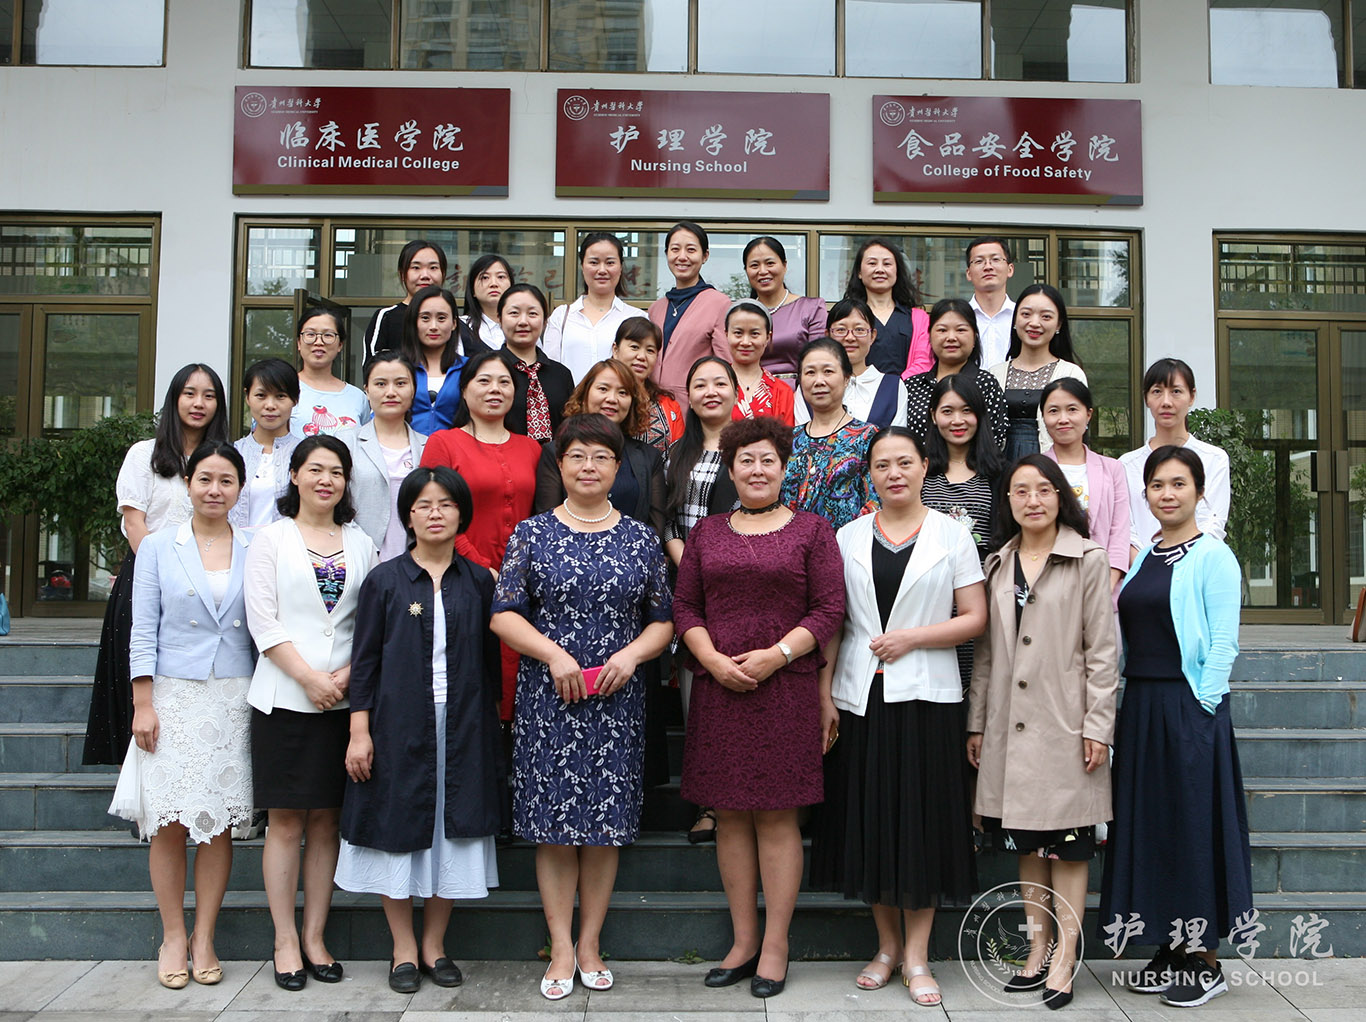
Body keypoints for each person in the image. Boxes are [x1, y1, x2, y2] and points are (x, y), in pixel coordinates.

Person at [491, 415, 674, 1001]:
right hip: (550, 700)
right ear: (560, 465)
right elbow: (504, 614)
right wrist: (553, 655)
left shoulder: (640, 539)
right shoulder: (532, 533)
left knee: (603, 829)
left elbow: (663, 620)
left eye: (601, 457)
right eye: (576, 456)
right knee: (553, 829)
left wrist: (631, 656)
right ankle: (561, 947)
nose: (588, 466)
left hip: (617, 701)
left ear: (618, 468)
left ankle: (590, 942)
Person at [810, 427, 986, 1007]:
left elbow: (975, 617)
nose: (894, 473)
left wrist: (912, 638)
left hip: (928, 698)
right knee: (871, 820)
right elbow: (835, 622)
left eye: (904, 462)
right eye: (882, 465)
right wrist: (825, 695)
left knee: (922, 823)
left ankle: (917, 955)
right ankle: (885, 947)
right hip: (861, 697)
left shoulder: (952, 534)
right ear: (870, 474)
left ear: (924, 466)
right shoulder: (847, 536)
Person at [674, 415, 845, 999]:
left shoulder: (813, 531)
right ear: (729, 468)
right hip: (720, 687)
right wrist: (711, 659)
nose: (756, 469)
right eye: (745, 459)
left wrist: (777, 655)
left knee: (776, 817)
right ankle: (743, 941)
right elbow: (685, 607)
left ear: (783, 466)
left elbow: (829, 609)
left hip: (785, 688)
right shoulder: (707, 534)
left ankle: (775, 945)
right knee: (729, 814)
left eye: (767, 459)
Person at [337, 466, 505, 995]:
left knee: (451, 832)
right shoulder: (385, 580)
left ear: (461, 514)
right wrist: (359, 731)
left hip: (464, 724)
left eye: (446, 504)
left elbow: (490, 663)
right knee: (397, 830)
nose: (435, 514)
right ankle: (403, 948)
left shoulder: (479, 582)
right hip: (397, 724)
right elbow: (364, 661)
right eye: (424, 505)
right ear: (407, 516)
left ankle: (435, 944)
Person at [1099, 446, 1250, 1010]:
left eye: (1179, 484)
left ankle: (1205, 960)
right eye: (1157, 485)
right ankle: (1169, 948)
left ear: (1199, 492)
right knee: (1151, 827)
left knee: (1192, 828)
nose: (1167, 494)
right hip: (1140, 707)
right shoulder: (1145, 557)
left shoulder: (1214, 556)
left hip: (1189, 710)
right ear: (1145, 495)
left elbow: (1224, 643)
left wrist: (1203, 711)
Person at [967, 454, 1118, 1011]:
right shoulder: (997, 564)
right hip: (1009, 727)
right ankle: (1036, 949)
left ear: (1060, 496)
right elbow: (985, 655)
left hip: (1066, 725)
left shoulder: (1087, 559)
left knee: (1070, 848)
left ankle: (1065, 955)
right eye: (1021, 490)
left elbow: (1102, 652)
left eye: (1043, 489)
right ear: (1007, 501)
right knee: (1027, 844)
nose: (1033, 500)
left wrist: (1098, 726)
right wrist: (977, 722)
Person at [108, 442, 254, 989]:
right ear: (187, 484)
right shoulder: (158, 546)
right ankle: (173, 935)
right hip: (172, 695)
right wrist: (142, 702)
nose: (215, 490)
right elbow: (142, 626)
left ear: (240, 489)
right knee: (168, 822)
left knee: (218, 825)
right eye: (205, 479)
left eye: (226, 481)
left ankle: (205, 936)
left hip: (234, 696)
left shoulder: (256, 544)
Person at [244, 435, 377, 991]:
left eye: (337, 472)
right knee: (285, 821)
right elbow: (263, 621)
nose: (327, 480)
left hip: (343, 702)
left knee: (327, 821)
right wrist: (308, 678)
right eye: (316, 469)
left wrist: (342, 677)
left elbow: (370, 622)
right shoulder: (269, 539)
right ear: (294, 475)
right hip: (284, 698)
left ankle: (315, 936)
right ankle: (284, 940)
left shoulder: (361, 542)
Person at [85, 363, 230, 766]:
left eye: (209, 396)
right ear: (174, 399)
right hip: (147, 578)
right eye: (189, 393)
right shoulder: (144, 454)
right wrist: (166, 575)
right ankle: (139, 787)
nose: (199, 403)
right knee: (140, 680)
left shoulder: (223, 458)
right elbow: (135, 523)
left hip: (209, 584)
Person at [420, 350, 543, 720]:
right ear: (464, 389)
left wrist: (518, 573)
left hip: (523, 582)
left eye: (504, 382)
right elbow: (434, 513)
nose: (495, 389)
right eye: (484, 381)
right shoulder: (444, 442)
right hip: (462, 576)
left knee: (518, 677)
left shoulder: (531, 447)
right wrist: (479, 566)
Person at [921, 375, 1004, 691]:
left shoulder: (999, 474)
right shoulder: (921, 472)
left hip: (982, 593)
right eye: (947, 411)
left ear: (980, 415)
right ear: (933, 416)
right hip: (929, 594)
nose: (957, 420)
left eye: (967, 410)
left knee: (978, 683)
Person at [532, 360, 666, 536]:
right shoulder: (555, 451)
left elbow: (656, 527)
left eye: (623, 392)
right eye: (603, 389)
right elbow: (547, 521)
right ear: (585, 394)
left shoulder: (649, 457)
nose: (612, 399)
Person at [1119, 357, 1230, 552]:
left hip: (1196, 565)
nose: (1166, 402)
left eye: (1176, 391)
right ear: (1146, 398)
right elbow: (1126, 532)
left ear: (1192, 397)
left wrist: (1179, 563)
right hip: (1143, 567)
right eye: (1157, 392)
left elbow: (1212, 525)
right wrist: (1149, 565)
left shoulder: (1214, 459)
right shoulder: (1126, 465)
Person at [1042, 378, 1132, 589]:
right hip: (1049, 583)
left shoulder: (1113, 469)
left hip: (1102, 582)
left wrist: (1105, 587)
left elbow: (1119, 532)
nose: (1063, 419)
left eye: (1072, 409)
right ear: (1043, 417)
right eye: (1053, 411)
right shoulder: (1034, 469)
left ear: (1088, 414)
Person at [783, 338, 878, 530]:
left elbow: (875, 502)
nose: (819, 381)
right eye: (810, 372)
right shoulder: (788, 439)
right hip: (790, 545)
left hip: (845, 543)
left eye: (828, 371)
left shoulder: (867, 436)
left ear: (846, 378)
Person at [988, 284, 1086, 461]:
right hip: (999, 467)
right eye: (1026, 314)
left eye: (1046, 316)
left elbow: (1077, 432)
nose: (1034, 323)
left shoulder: (1071, 374)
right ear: (1015, 320)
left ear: (1059, 324)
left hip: (1053, 466)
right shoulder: (994, 374)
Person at [662, 356, 740, 570]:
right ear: (689, 398)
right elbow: (668, 521)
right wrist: (690, 567)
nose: (711, 392)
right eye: (700, 386)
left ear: (736, 394)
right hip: (686, 572)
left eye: (720, 384)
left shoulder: (752, 452)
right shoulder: (675, 454)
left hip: (740, 570)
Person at [349, 351, 428, 562]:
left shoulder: (428, 446)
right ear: (366, 390)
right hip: (360, 560)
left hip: (417, 562)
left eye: (400, 383)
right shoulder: (346, 443)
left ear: (413, 390)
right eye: (381, 384)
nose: (391, 392)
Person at [904, 297, 1009, 452]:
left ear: (975, 336)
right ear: (930, 336)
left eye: (961, 330)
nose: (951, 337)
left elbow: (996, 438)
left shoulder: (986, 383)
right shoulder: (912, 385)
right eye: (942, 330)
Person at [543, 232, 647, 382]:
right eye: (594, 262)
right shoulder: (561, 316)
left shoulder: (636, 318)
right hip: (569, 397)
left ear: (620, 267)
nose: (602, 270)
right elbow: (550, 371)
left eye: (610, 263)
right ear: (582, 266)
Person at [649, 221, 732, 405]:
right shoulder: (656, 308)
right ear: (667, 254)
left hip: (694, 406)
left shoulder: (719, 303)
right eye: (675, 249)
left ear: (705, 256)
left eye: (691, 250)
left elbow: (726, 364)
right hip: (653, 409)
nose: (682, 257)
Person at [795, 297, 907, 430]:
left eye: (859, 330)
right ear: (827, 335)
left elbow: (897, 438)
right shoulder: (810, 385)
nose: (850, 337)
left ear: (872, 336)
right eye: (841, 330)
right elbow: (802, 437)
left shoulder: (894, 387)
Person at [401, 284, 488, 434]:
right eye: (425, 318)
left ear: (454, 323)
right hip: (406, 447)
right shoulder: (398, 367)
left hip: (457, 447)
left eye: (441, 318)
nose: (433, 326)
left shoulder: (470, 368)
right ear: (414, 322)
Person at [743, 235, 827, 382]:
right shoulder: (742, 315)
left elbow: (819, 359)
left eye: (770, 263)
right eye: (754, 265)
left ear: (784, 265)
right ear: (746, 270)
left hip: (800, 390)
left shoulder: (811, 308)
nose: (762, 271)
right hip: (752, 391)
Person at [843, 237, 930, 377]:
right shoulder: (846, 317)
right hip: (857, 388)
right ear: (859, 272)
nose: (880, 269)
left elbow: (923, 362)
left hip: (907, 388)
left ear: (897, 271)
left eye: (887, 264)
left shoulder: (919, 318)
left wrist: (895, 386)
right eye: (872, 263)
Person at [497, 283, 574, 443]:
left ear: (545, 321)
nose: (523, 321)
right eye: (514, 313)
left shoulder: (561, 374)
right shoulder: (487, 370)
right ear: (499, 319)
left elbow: (572, 427)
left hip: (554, 458)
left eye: (532, 314)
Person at [231, 358, 300, 533]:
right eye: (261, 395)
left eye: (280, 396)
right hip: (236, 547)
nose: (270, 405)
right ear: (247, 397)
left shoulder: (306, 455)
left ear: (295, 399)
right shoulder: (232, 453)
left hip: (287, 547)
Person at [291, 308, 370, 439]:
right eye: (310, 334)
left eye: (328, 335)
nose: (318, 342)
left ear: (340, 345)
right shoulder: (284, 389)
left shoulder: (357, 397)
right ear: (299, 343)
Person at [363, 240, 448, 359]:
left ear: (443, 273)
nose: (425, 275)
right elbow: (372, 365)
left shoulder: (452, 320)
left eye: (433, 267)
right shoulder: (386, 317)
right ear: (402, 274)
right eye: (416, 267)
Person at [613, 316, 684, 454]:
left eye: (650, 350)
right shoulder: (599, 396)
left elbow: (679, 456)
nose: (642, 356)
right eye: (634, 347)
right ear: (615, 350)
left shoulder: (668, 405)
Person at [726, 299, 795, 425]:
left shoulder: (782, 391)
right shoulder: (715, 386)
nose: (745, 342)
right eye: (738, 333)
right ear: (726, 334)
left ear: (768, 337)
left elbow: (787, 435)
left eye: (754, 334)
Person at [965, 236, 1018, 370]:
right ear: (969, 273)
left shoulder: (1021, 317)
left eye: (995, 259)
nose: (988, 267)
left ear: (1010, 269)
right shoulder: (960, 317)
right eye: (979, 261)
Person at [462, 253, 514, 348]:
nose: (493, 284)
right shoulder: (460, 327)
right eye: (485, 277)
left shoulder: (522, 325)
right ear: (473, 290)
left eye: (501, 277)